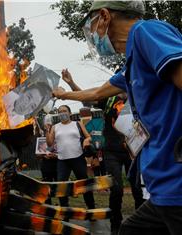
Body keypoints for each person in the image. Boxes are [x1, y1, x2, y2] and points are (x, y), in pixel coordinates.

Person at [53, 1, 182, 234]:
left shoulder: (146, 32)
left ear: (104, 16)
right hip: (163, 185)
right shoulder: (131, 64)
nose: (92, 35)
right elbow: (95, 94)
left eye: (91, 26)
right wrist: (63, 93)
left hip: (176, 181)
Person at [60, 69, 144, 234]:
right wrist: (71, 83)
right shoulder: (108, 99)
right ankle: (115, 226)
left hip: (133, 150)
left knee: (137, 189)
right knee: (117, 189)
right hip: (111, 152)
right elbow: (89, 96)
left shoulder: (137, 97)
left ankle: (141, 225)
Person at [46, 105, 95, 210]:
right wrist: (47, 130)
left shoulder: (77, 123)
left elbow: (89, 136)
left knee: (84, 185)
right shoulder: (55, 127)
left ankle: (91, 208)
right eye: (60, 111)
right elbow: (50, 144)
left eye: (64, 111)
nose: (62, 113)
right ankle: (65, 210)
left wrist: (87, 141)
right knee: (61, 187)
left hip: (78, 158)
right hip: (62, 161)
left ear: (70, 113)